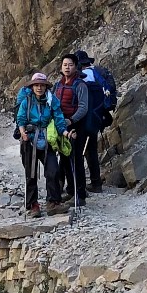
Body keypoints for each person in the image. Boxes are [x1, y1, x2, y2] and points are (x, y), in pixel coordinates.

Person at [13, 71, 65, 216]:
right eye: (36, 85)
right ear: (32, 87)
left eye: (42, 85)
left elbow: (59, 117)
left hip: (47, 140)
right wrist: (23, 133)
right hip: (29, 140)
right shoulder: (27, 101)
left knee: (53, 170)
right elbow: (21, 119)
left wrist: (65, 132)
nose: (39, 88)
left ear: (46, 87)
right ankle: (32, 205)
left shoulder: (52, 100)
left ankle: (53, 202)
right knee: (31, 174)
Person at [72, 49, 117, 194]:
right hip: (97, 117)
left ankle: (79, 186)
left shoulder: (81, 77)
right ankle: (96, 183)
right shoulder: (96, 74)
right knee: (91, 150)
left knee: (78, 151)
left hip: (81, 119)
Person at [54, 56, 94, 208]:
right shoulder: (58, 85)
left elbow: (83, 107)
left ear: (76, 67)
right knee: (64, 159)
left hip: (77, 126)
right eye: (64, 64)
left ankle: (80, 195)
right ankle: (71, 191)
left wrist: (71, 120)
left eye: (70, 65)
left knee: (75, 160)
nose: (67, 67)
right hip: (61, 126)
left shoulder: (80, 85)